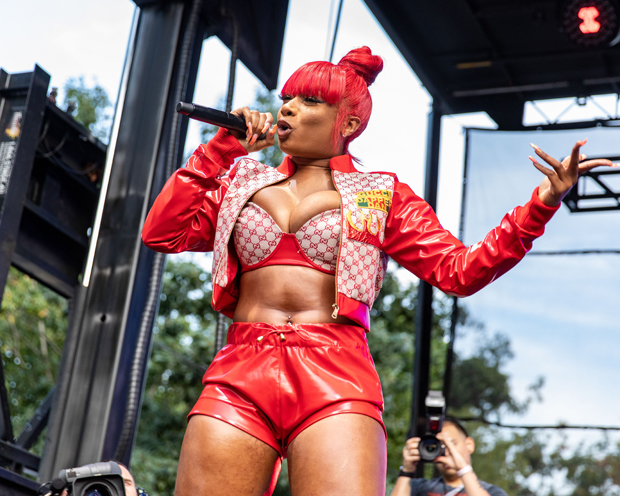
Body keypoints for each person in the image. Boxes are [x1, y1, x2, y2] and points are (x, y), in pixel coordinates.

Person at [141, 46, 615, 496]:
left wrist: (541, 205)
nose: (286, 109)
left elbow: (459, 271)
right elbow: (161, 233)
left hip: (334, 375)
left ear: (347, 122)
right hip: (240, 368)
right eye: (286, 98)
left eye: (308, 100)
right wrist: (218, 150)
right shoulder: (241, 178)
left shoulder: (378, 194)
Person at [390, 418, 507, 496]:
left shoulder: (492, 492)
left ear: (469, 445)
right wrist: (406, 471)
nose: (446, 451)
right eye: (438, 446)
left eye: (452, 443)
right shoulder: (418, 488)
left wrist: (463, 469)